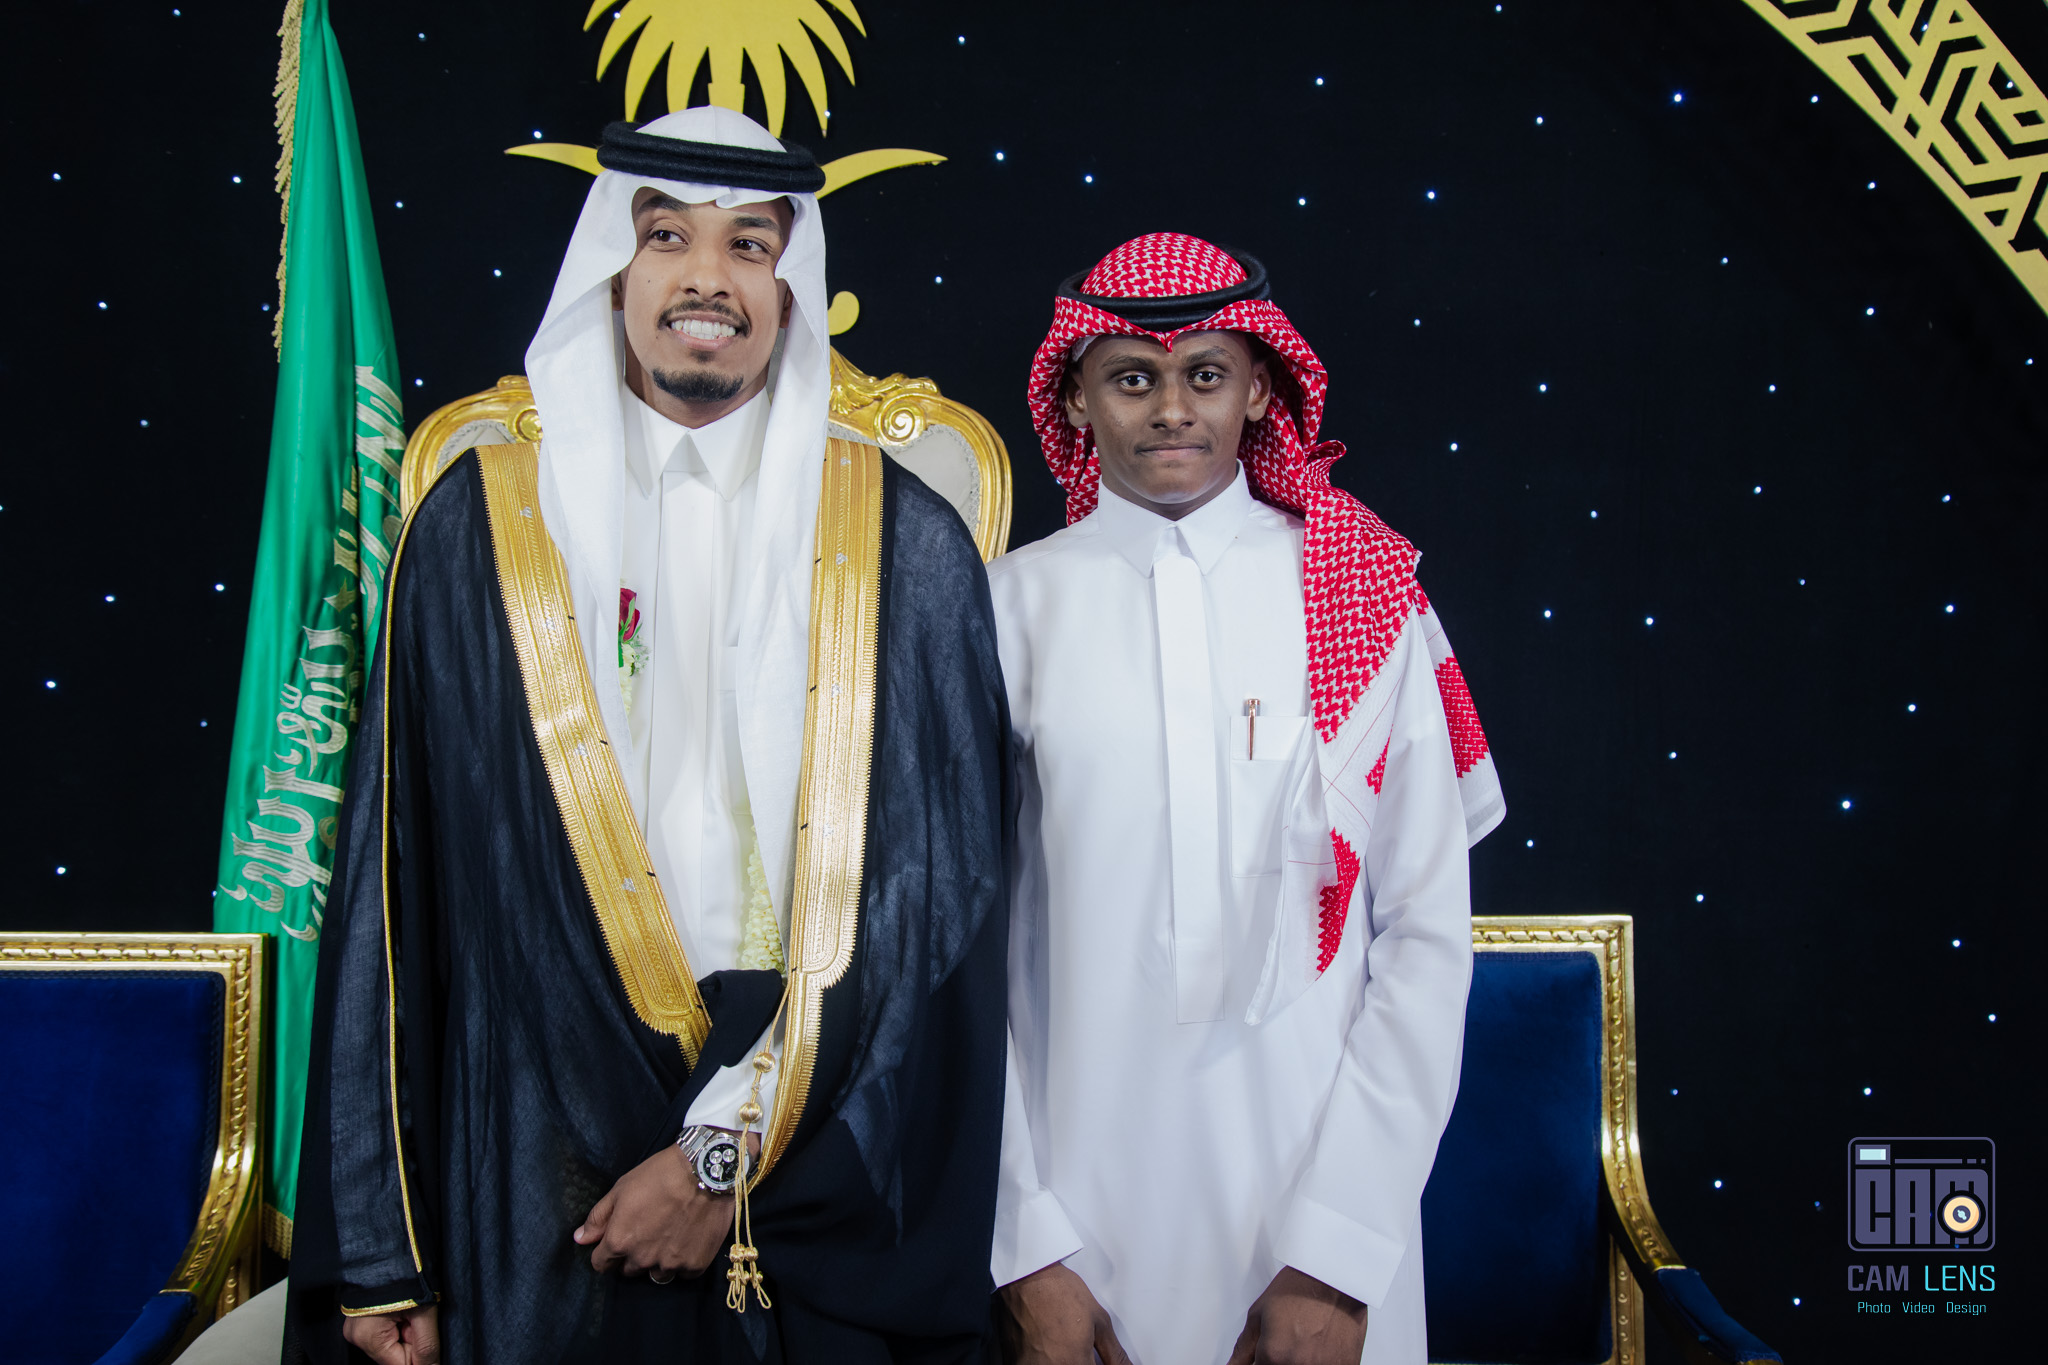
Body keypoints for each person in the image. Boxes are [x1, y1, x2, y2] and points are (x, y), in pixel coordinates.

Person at [283, 108, 1011, 1365]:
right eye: (666, 236)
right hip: (531, 1159)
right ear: (611, 274)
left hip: (814, 1156)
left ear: (790, 284)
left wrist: (726, 1150)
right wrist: (378, 1248)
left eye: (748, 245)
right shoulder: (474, 532)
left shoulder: (910, 547)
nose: (706, 277)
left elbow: (936, 909)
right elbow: (392, 902)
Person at [987, 233, 1504, 1365]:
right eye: (1132, 377)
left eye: (1206, 374)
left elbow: (1423, 940)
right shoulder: (1001, 611)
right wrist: (1021, 1251)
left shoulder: (1363, 596)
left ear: (1260, 388)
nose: (1171, 408)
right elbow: (957, 962)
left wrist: (1338, 1253)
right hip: (1073, 1234)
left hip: (1325, 1230)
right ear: (1073, 398)